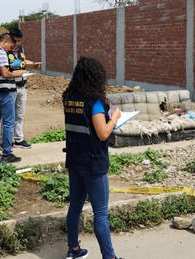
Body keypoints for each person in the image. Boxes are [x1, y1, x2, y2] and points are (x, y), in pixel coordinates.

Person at [62, 57, 123, 259]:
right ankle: (109, 257)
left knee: (75, 207)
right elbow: (103, 133)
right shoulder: (94, 101)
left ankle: (74, 250)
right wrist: (114, 117)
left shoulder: (69, 96)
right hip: (93, 163)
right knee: (101, 213)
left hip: (75, 160)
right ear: (96, 77)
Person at [0, 32, 27, 163]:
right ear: (5, 42)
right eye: (10, 45)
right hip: (4, 92)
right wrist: (18, 73)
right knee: (9, 122)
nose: (10, 48)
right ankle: (7, 154)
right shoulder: (0, 52)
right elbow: (5, 73)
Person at [2, 27, 40, 149]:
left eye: (19, 41)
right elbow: (9, 64)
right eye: (16, 41)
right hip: (10, 86)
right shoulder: (5, 50)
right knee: (8, 116)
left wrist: (33, 63)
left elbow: (23, 60)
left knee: (20, 114)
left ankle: (19, 139)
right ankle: (5, 141)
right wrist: (24, 64)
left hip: (22, 85)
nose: (17, 44)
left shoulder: (20, 48)